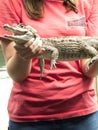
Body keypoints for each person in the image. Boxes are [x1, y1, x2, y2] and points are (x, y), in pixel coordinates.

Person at [0, 0, 98, 130]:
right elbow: (17, 75)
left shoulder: (90, 2)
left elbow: (88, 70)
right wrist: (24, 53)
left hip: (82, 114)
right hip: (29, 117)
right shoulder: (9, 2)